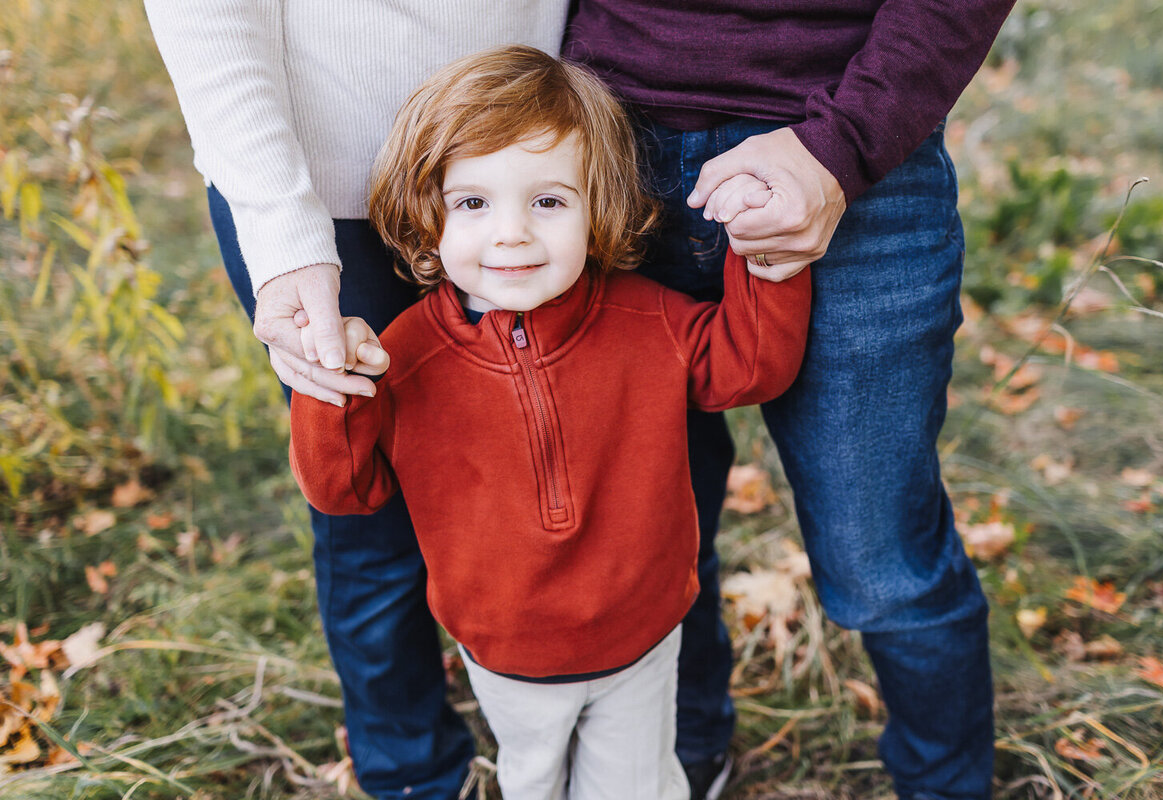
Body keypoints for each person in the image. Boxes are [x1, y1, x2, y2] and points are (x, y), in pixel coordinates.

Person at [287, 47, 813, 800]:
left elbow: (748, 367)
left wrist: (766, 259)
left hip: (641, 635)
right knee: (533, 780)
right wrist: (331, 386)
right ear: (425, 211)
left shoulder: (645, 317)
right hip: (504, 652)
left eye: (549, 202)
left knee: (635, 784)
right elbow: (344, 492)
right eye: (473, 203)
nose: (511, 235)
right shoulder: (401, 356)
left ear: (597, 206)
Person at [563, 3, 1017, 799]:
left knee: (881, 559)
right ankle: (685, 752)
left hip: (852, 146)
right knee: (648, 541)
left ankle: (946, 783)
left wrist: (841, 150)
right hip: (605, 153)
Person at [142, 4, 571, 798]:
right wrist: (283, 233)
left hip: (535, 174)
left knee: (563, 458)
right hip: (332, 197)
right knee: (370, 511)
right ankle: (411, 770)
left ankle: (606, 729)